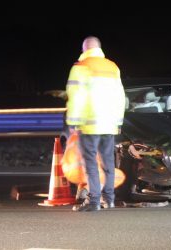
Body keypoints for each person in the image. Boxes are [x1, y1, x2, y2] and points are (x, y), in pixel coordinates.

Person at [65, 36, 126, 212]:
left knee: (90, 163)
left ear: (84, 49)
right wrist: (119, 120)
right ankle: (110, 200)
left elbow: (76, 96)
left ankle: (94, 201)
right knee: (108, 163)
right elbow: (121, 96)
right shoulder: (112, 67)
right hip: (109, 124)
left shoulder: (81, 67)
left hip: (89, 124)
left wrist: (73, 121)